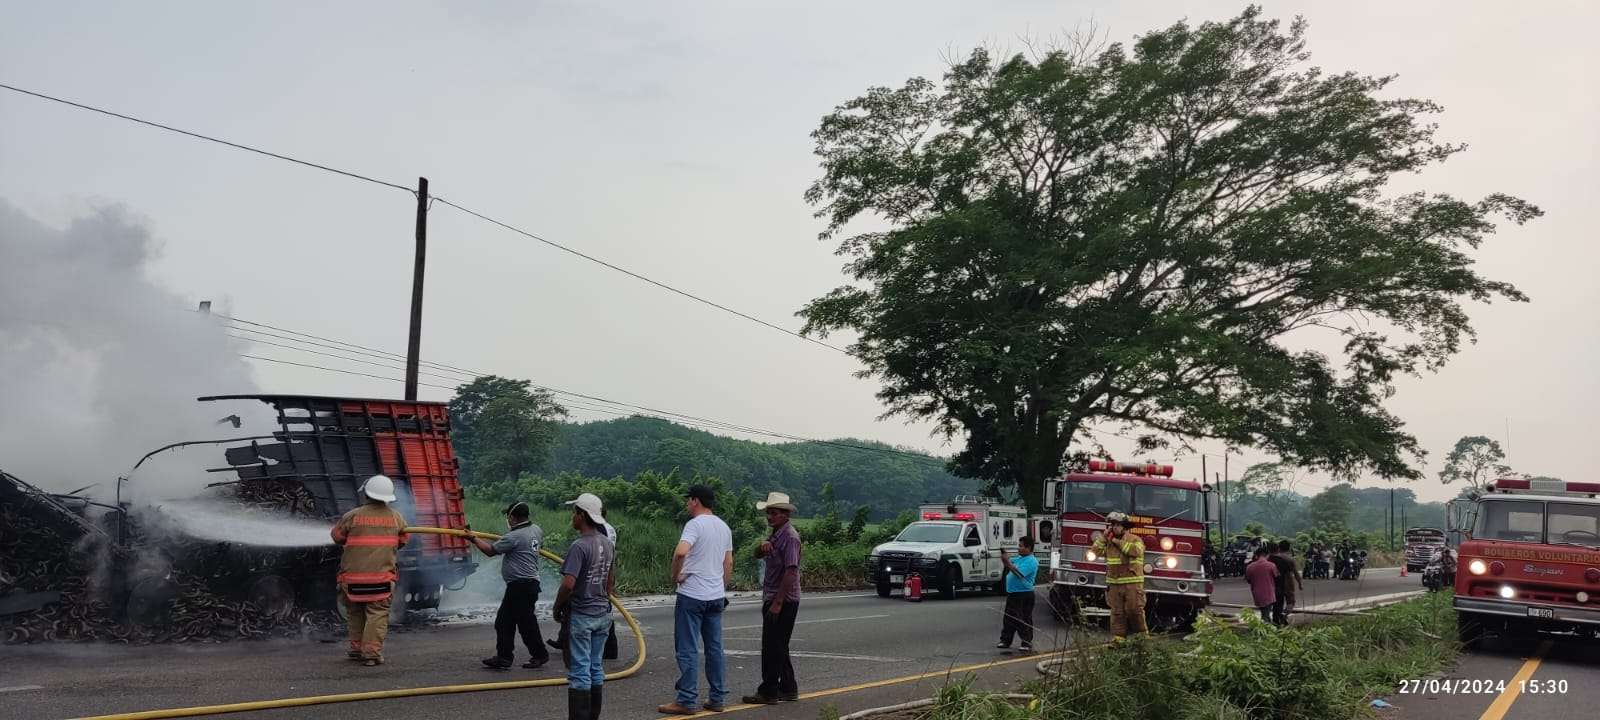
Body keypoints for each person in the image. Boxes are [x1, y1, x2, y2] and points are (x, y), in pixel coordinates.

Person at [658, 485, 734, 715]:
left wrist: (675, 576)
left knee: (688, 648)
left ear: (696, 501)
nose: (687, 504)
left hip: (692, 594)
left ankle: (687, 700)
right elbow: (728, 563)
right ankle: (717, 698)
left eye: (688, 500)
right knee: (714, 648)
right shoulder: (724, 527)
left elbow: (680, 552)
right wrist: (721, 588)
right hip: (715, 596)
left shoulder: (694, 525)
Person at [330, 474, 409, 666]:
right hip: (380, 580)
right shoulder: (396, 518)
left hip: (352, 581)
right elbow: (403, 540)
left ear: (366, 494)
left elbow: (336, 537)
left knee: (355, 613)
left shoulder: (353, 516)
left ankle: (356, 650)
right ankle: (372, 654)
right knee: (377, 615)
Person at [466, 501, 549, 670]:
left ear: (512, 517)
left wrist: (473, 538)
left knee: (525, 623)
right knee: (506, 621)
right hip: (527, 585)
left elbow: (490, 551)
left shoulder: (514, 537)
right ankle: (504, 657)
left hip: (521, 586)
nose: (507, 519)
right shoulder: (536, 530)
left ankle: (539, 655)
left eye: (508, 516)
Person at [554, 492, 615, 720]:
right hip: (602, 614)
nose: (572, 517)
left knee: (579, 671)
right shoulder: (607, 543)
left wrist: (557, 606)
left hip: (582, 614)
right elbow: (610, 579)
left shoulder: (579, 546)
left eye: (574, 512)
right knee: (595, 667)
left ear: (582, 515)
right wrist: (604, 600)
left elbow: (569, 584)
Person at [742, 492, 803, 705]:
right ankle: (788, 688)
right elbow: (757, 555)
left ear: (785, 515)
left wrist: (777, 603)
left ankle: (768, 691)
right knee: (779, 645)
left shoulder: (790, 537)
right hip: (774, 596)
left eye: (774, 513)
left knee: (771, 646)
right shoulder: (775, 535)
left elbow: (791, 572)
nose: (769, 517)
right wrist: (762, 547)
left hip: (783, 599)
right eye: (768, 513)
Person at [1093, 511, 1147, 640]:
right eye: (1112, 525)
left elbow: (1135, 551)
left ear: (1124, 527)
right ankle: (1118, 640)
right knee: (1117, 613)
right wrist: (1103, 539)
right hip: (1115, 584)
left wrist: (1116, 541)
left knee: (1135, 611)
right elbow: (1095, 552)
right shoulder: (1108, 542)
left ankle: (1141, 639)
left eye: (1117, 525)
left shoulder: (1135, 539)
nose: (1114, 527)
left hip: (1132, 584)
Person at [996, 535, 1039, 653]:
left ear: (1029, 548)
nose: (1018, 548)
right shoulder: (1019, 558)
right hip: (1013, 593)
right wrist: (1005, 559)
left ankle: (1026, 642)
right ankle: (1005, 640)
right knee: (1009, 618)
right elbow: (1009, 564)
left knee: (1022, 618)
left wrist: (1007, 562)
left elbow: (1019, 574)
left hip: (1024, 593)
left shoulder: (1031, 561)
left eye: (1021, 546)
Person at [1268, 540, 1301, 627]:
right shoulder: (1290, 559)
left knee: (1277, 602)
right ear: (1289, 548)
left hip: (1276, 583)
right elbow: (1296, 573)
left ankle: (1277, 618)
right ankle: (1284, 614)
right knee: (1291, 602)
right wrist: (1300, 583)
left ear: (1279, 547)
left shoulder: (1272, 558)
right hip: (1288, 583)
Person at [1244, 547, 1279, 622]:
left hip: (1256, 594)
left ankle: (1267, 628)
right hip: (1269, 593)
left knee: (1265, 612)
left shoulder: (1249, 567)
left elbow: (1248, 580)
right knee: (1265, 615)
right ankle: (1265, 630)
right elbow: (1276, 577)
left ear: (1256, 555)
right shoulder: (1271, 565)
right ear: (1267, 555)